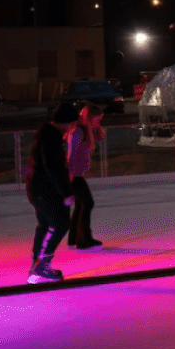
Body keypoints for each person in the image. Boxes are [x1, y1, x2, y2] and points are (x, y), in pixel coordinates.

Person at [26, 103, 79, 283]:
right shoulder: (51, 137)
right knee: (60, 223)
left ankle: (37, 266)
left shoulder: (48, 133)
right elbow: (53, 167)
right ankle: (42, 264)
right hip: (45, 189)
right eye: (73, 124)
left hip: (40, 188)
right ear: (65, 122)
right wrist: (66, 192)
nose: (73, 128)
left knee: (46, 224)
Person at [67, 102, 105, 250]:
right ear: (90, 118)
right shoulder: (77, 132)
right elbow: (70, 156)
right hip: (73, 176)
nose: (98, 123)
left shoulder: (85, 132)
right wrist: (68, 177)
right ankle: (84, 241)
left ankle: (73, 240)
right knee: (87, 204)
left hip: (76, 174)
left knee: (80, 206)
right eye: (97, 119)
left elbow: (100, 136)